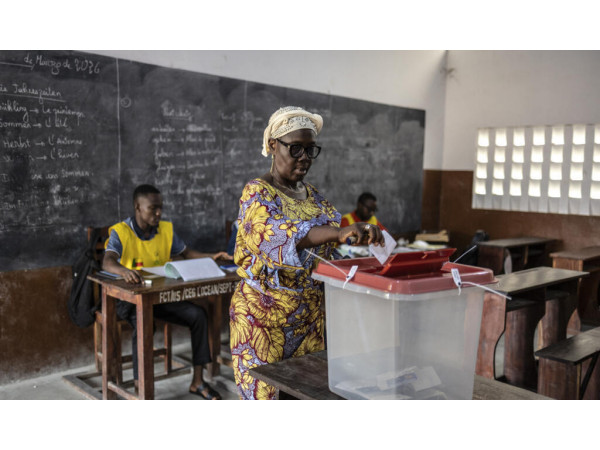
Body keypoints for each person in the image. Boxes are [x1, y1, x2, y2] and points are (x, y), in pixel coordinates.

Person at [229, 106, 385, 400]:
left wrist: (361, 260)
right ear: (273, 145)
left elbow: (325, 251)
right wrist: (339, 232)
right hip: (263, 321)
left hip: (310, 321)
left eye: (310, 150)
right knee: (267, 400)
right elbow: (276, 233)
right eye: (296, 148)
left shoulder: (314, 197)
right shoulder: (258, 192)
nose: (304, 157)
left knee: (305, 397)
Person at [102, 184, 223, 400]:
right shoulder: (121, 232)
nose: (158, 213)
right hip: (129, 300)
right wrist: (124, 271)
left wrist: (212, 256)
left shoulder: (165, 230)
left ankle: (197, 381)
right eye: (153, 208)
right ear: (137, 207)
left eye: (160, 208)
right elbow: (107, 262)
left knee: (198, 315)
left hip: (158, 298)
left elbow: (187, 253)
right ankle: (141, 389)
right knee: (144, 323)